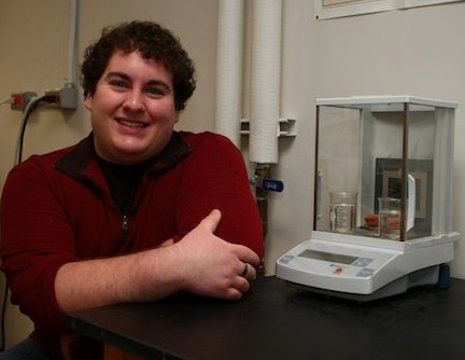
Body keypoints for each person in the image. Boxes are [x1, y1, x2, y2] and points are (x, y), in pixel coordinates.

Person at [0, 20, 263, 360]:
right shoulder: (35, 178)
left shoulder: (211, 155)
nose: (135, 103)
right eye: (120, 83)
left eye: (155, 90)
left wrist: (83, 310)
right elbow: (40, 293)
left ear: (176, 110)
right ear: (91, 96)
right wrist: (173, 265)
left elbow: (233, 267)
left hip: (175, 351)